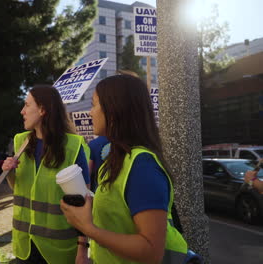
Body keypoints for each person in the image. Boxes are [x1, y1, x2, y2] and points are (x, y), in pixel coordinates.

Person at [60, 75, 189, 263]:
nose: (90, 113)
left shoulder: (142, 166)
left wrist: (88, 228)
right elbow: (119, 211)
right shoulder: (114, 160)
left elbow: (151, 251)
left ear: (114, 110)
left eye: (94, 104)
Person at [2, 85, 90, 264]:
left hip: (58, 250)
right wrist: (9, 172)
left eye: (27, 105)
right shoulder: (21, 141)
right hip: (25, 246)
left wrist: (82, 249)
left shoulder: (73, 146)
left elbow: (84, 202)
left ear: (42, 110)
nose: (22, 111)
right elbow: (18, 187)